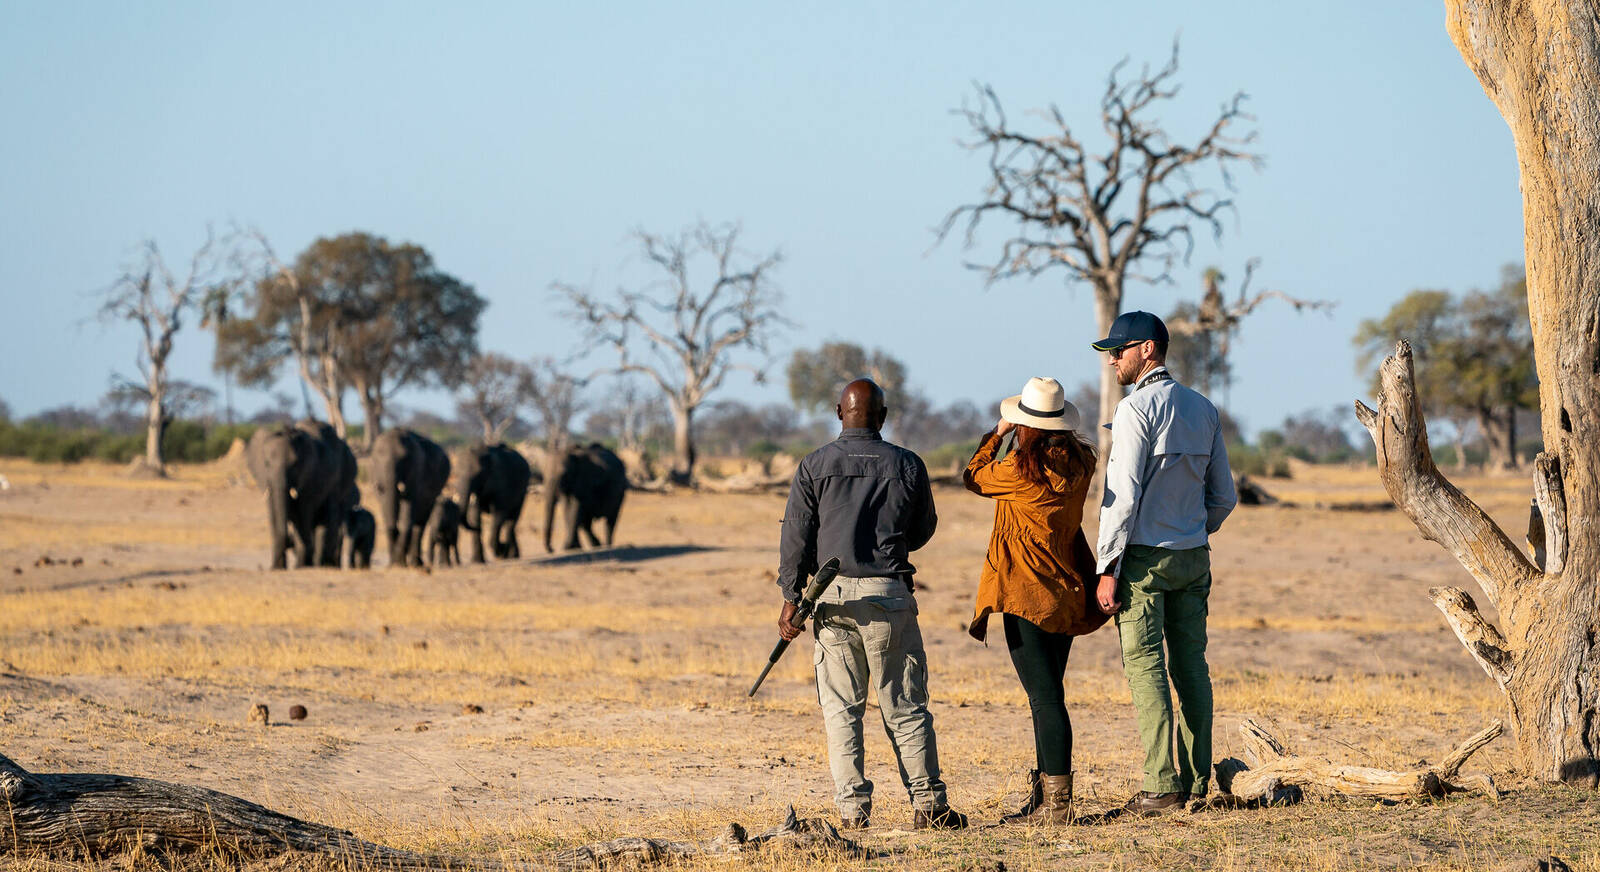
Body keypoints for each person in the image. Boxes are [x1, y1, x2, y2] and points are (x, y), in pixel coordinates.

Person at [775, 378, 966, 831]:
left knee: (841, 710)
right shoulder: (909, 464)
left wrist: (790, 597)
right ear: (882, 417)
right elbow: (923, 529)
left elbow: (796, 536)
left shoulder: (814, 465)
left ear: (839, 413)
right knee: (905, 705)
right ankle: (929, 806)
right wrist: (891, 547)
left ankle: (852, 812)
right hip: (890, 596)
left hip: (831, 599)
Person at [1091, 311, 1237, 816]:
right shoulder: (1204, 408)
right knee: (1192, 669)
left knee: (1147, 668)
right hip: (1193, 557)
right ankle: (1198, 783)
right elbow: (1225, 496)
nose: (1112, 358)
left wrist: (1106, 567)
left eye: (1120, 348)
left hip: (1144, 563)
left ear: (1147, 349)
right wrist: (1194, 530)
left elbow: (1121, 497)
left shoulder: (1134, 411)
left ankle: (1161, 786)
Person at [963, 376, 1108, 826]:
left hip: (1025, 593)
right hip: (1066, 592)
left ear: (1025, 424)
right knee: (1048, 695)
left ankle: (1058, 806)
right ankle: (1046, 795)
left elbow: (972, 476)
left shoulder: (1018, 471)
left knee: (1045, 700)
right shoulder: (1081, 464)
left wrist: (997, 435)